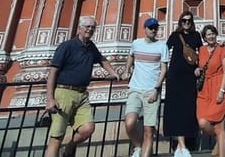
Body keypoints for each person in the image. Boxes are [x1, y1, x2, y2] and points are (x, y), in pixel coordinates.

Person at [44, 16, 121, 157]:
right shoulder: (67, 46)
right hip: (64, 92)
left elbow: (102, 60)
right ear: (79, 28)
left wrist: (113, 73)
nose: (90, 29)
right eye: (87, 26)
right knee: (56, 137)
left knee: (88, 128)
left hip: (82, 94)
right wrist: (50, 98)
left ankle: (68, 148)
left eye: (92, 27)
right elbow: (53, 72)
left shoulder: (91, 47)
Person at [124, 18, 169, 157]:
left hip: (151, 91)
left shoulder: (162, 46)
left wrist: (157, 88)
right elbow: (131, 56)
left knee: (149, 130)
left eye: (155, 27)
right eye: (151, 27)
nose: (153, 30)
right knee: (129, 123)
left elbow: (164, 68)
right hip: (135, 89)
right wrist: (127, 69)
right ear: (145, 28)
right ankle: (138, 146)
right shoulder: (136, 43)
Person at [164, 11, 203, 157]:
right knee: (176, 109)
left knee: (188, 108)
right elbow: (164, 51)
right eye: (184, 20)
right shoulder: (175, 36)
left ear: (192, 22)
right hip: (175, 77)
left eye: (189, 20)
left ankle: (187, 143)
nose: (186, 23)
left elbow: (202, 52)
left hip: (190, 76)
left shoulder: (196, 36)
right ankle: (181, 145)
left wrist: (199, 66)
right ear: (180, 22)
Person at [195, 25, 225, 157]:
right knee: (202, 122)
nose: (210, 36)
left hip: (218, 86)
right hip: (204, 90)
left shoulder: (222, 49)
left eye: (212, 34)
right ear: (204, 37)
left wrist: (222, 90)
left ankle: (222, 150)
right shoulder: (202, 50)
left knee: (220, 126)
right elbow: (201, 65)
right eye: (208, 34)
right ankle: (219, 140)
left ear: (216, 34)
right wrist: (197, 69)